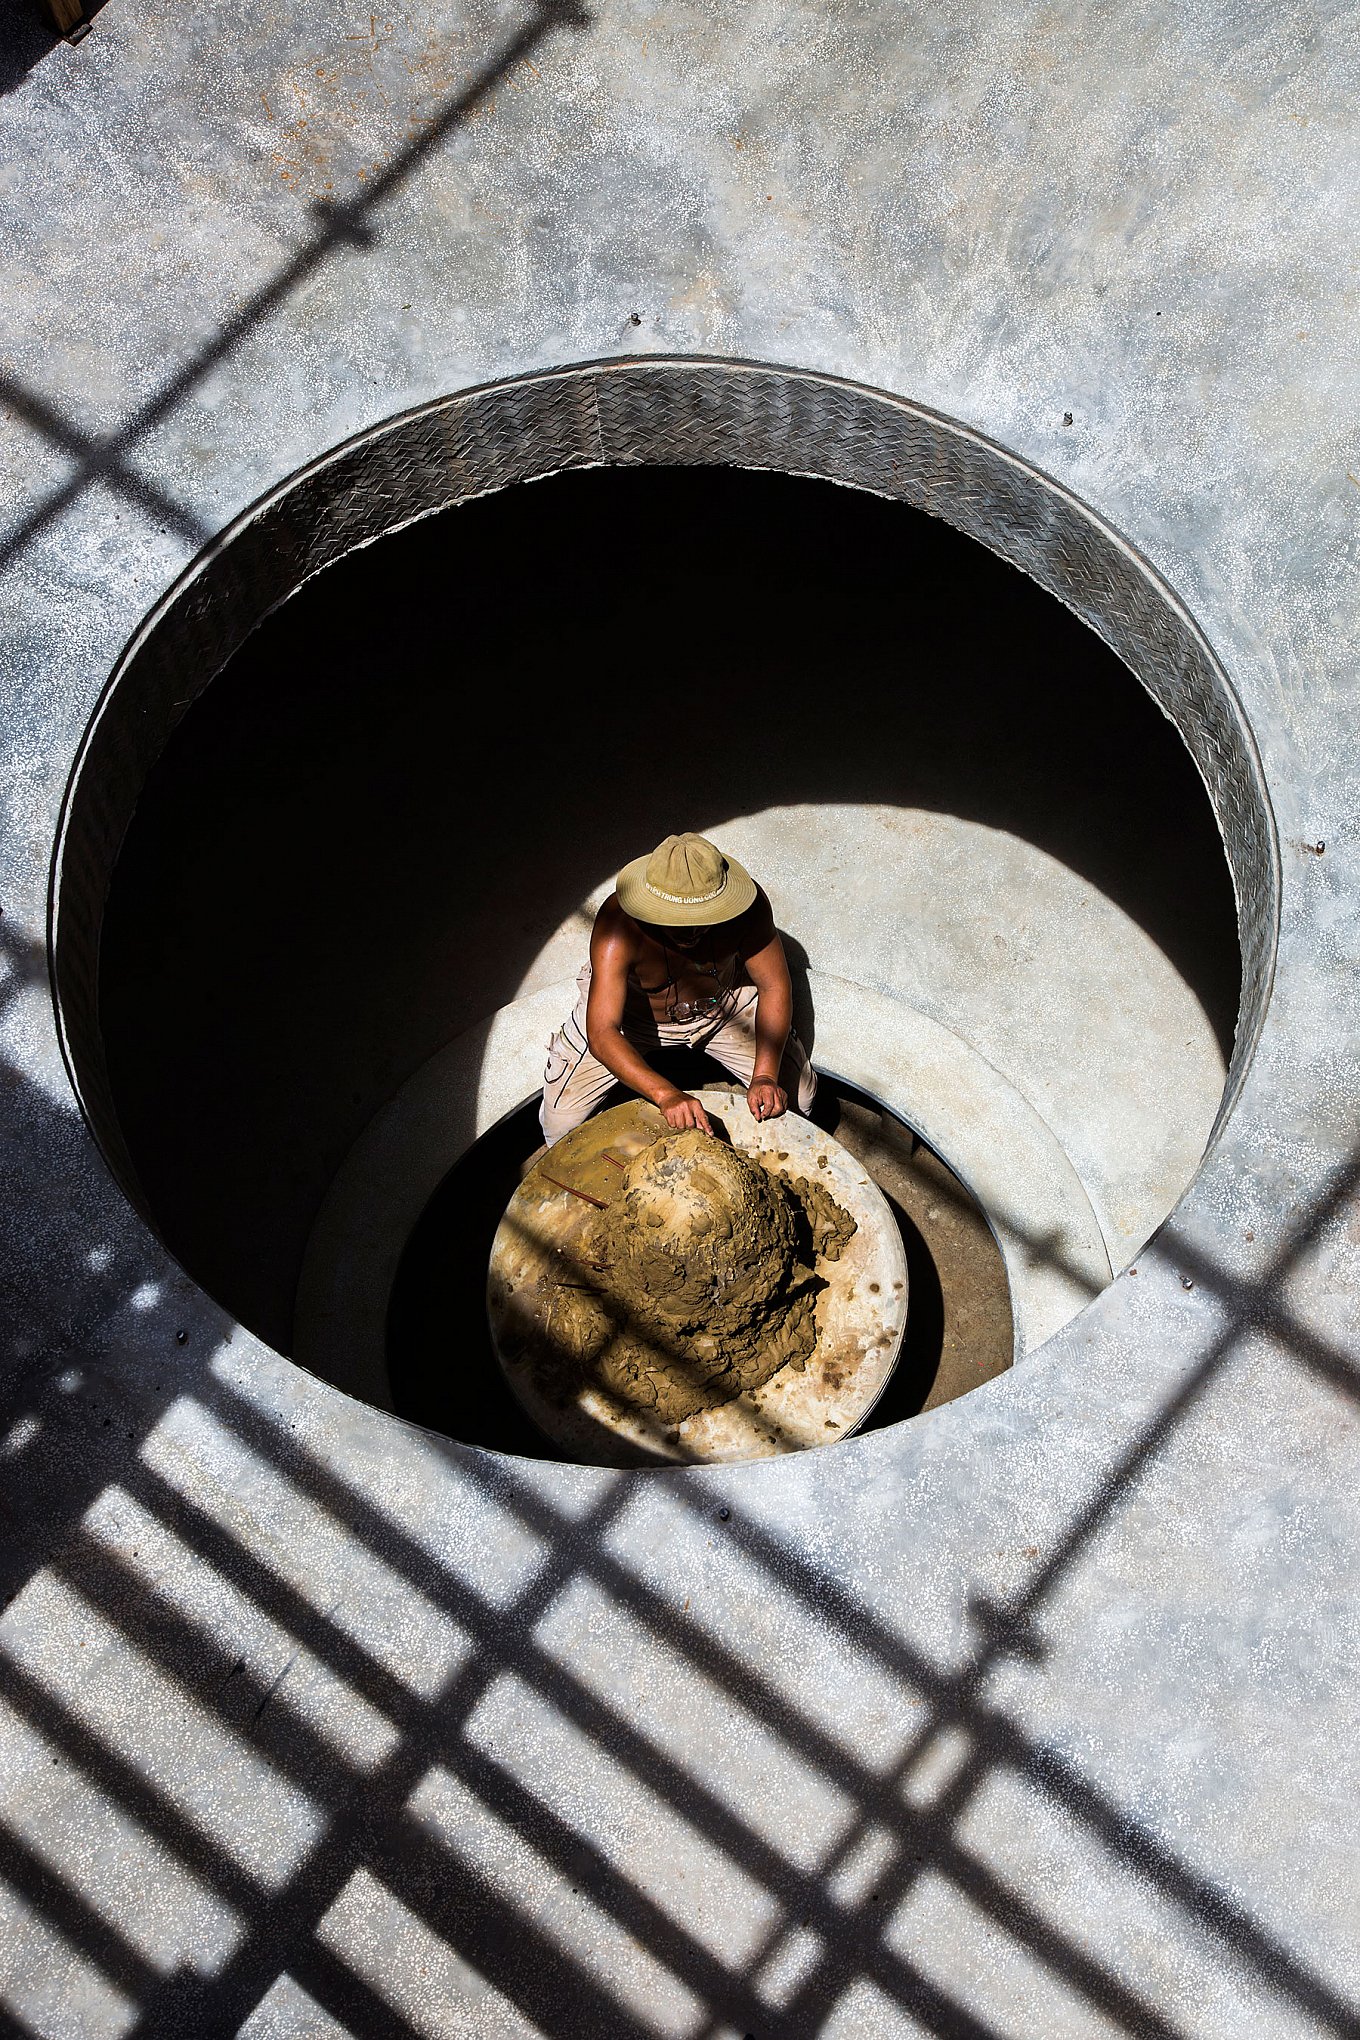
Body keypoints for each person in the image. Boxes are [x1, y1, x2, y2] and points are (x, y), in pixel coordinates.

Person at [540, 831, 817, 1145]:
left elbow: (773, 986)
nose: (691, 930)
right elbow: (603, 1032)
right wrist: (666, 1094)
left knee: (799, 1098)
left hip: (722, 1004)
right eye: (676, 919)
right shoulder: (617, 926)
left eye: (704, 917)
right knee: (560, 1125)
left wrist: (765, 1076)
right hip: (634, 1020)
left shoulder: (749, 911)